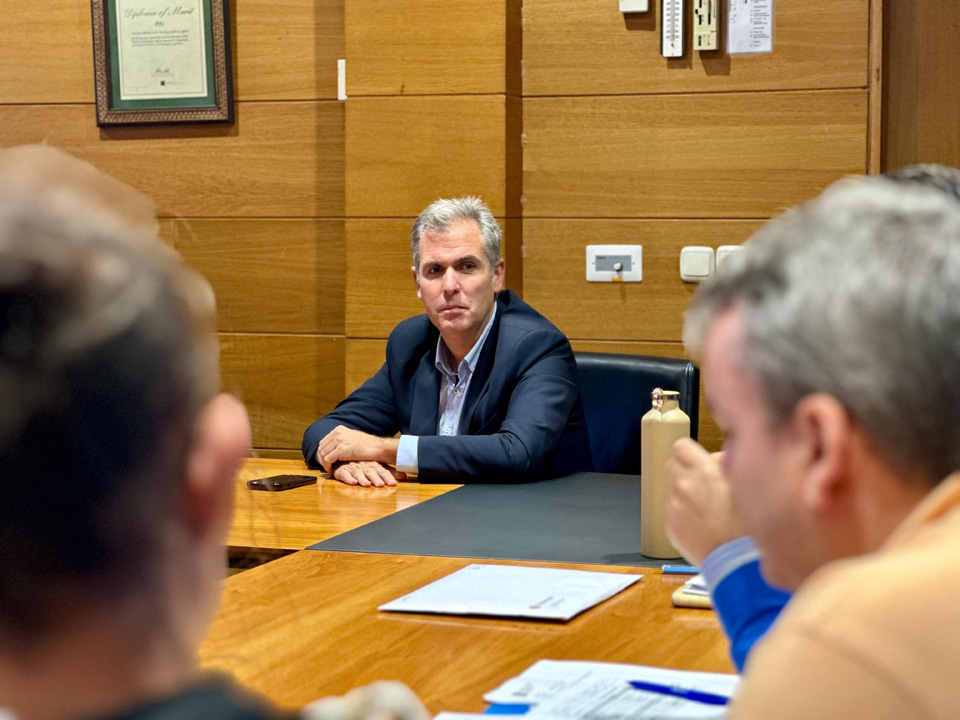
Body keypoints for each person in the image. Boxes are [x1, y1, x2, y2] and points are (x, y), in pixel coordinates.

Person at [0, 146, 428, 720]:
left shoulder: (528, 344)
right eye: (435, 269)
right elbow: (332, 427)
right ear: (214, 467)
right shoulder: (382, 711)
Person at [670, 174, 960, 717]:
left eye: (732, 431)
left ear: (820, 446)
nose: (725, 468)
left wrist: (735, 562)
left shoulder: (857, 644)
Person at [302, 196, 592, 487]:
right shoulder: (410, 343)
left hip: (535, 511)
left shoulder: (539, 346)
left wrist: (381, 449)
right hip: (435, 508)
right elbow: (325, 431)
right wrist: (344, 459)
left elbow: (517, 452)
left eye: (467, 266)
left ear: (496, 275)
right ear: (417, 283)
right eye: (435, 271)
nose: (450, 286)